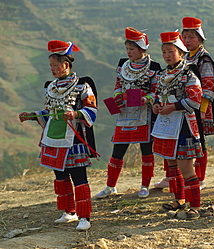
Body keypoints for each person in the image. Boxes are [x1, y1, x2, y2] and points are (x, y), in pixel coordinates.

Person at [19, 40, 98, 231]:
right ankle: (69, 212)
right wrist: (32, 116)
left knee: (79, 176)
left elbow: (91, 110)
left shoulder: (82, 85)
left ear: (66, 64)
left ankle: (84, 217)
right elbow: (49, 112)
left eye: (55, 65)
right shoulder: (51, 87)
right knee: (60, 176)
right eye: (51, 66)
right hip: (53, 137)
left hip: (73, 138)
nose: (52, 69)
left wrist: (75, 114)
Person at [94, 27, 161, 199]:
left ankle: (145, 185)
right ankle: (110, 186)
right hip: (124, 114)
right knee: (117, 151)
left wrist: (146, 99)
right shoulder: (122, 65)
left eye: (132, 49)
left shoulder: (154, 67)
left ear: (141, 49)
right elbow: (118, 86)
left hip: (144, 115)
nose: (129, 52)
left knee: (146, 151)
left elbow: (157, 91)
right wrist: (117, 97)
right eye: (127, 49)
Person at [154, 17, 214, 190]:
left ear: (200, 38)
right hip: (176, 110)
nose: (188, 41)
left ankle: (200, 177)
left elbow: (208, 86)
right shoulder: (179, 61)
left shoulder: (204, 59)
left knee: (198, 142)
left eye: (192, 37)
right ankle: (174, 179)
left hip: (196, 107)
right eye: (185, 37)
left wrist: (202, 111)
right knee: (173, 143)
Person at [151, 31, 203, 219]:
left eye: (170, 51)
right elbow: (158, 94)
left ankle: (195, 205)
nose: (166, 55)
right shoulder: (162, 73)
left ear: (181, 52)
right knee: (171, 165)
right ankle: (179, 199)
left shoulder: (189, 72)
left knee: (186, 166)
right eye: (164, 52)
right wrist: (156, 105)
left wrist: (173, 106)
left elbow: (195, 100)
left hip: (184, 125)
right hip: (166, 124)